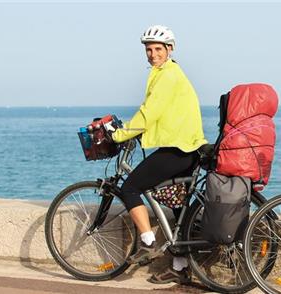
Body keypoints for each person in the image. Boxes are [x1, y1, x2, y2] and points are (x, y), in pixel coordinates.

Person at [111, 24, 207, 284]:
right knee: (178, 204)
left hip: (179, 149)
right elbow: (163, 114)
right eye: (148, 49)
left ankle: (148, 242)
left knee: (130, 187)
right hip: (187, 147)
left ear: (170, 49)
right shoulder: (167, 73)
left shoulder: (167, 75)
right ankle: (180, 267)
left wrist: (120, 134)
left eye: (157, 49)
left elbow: (149, 112)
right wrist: (142, 133)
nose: (152, 54)